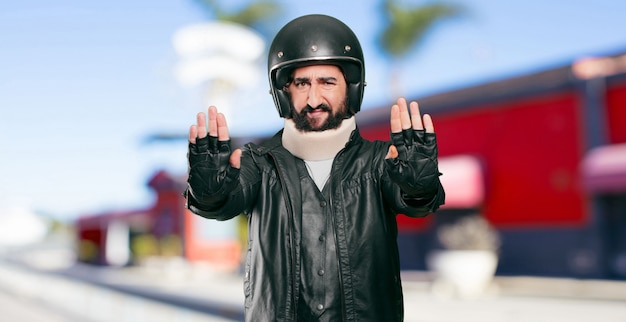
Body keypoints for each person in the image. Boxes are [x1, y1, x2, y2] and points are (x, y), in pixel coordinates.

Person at [185, 14, 445, 322]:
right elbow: (221, 202)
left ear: (351, 87)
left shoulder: (379, 161)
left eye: (327, 83)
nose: (314, 98)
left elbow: (417, 203)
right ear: (284, 92)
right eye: (302, 83)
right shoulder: (259, 162)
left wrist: (419, 182)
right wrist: (208, 187)